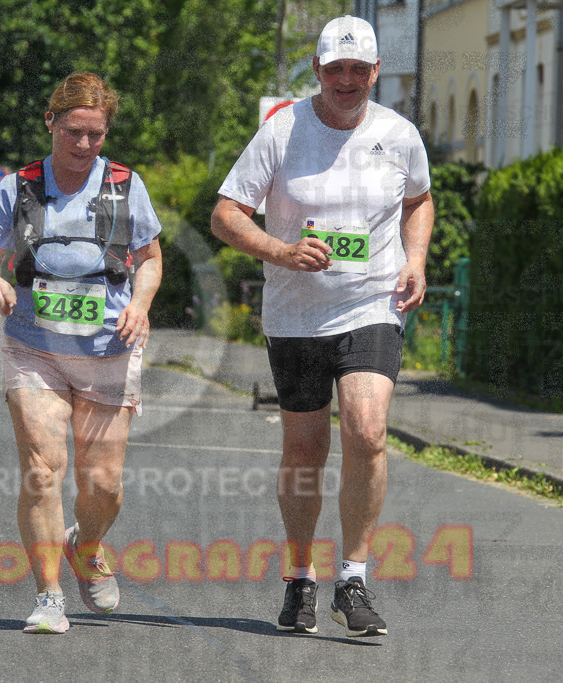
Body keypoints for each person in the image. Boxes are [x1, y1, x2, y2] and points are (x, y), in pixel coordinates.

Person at [210, 15, 434, 638]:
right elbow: (227, 214)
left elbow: (418, 198)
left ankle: (354, 578)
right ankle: (299, 576)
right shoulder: (282, 131)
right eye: (335, 69)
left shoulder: (399, 133)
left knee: (367, 430)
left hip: (371, 304)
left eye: (358, 70)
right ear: (318, 72)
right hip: (296, 315)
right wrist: (279, 252)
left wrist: (415, 259)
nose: (346, 80)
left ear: (375, 72)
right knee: (305, 450)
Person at [0, 72, 163, 634]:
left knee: (102, 483)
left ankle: (89, 542)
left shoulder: (127, 186)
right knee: (41, 468)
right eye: (73, 131)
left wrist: (141, 305)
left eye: (95, 135)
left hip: (109, 344)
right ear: (50, 122)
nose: (83, 145)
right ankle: (49, 595)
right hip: (35, 346)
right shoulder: (18, 188)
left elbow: (150, 259)